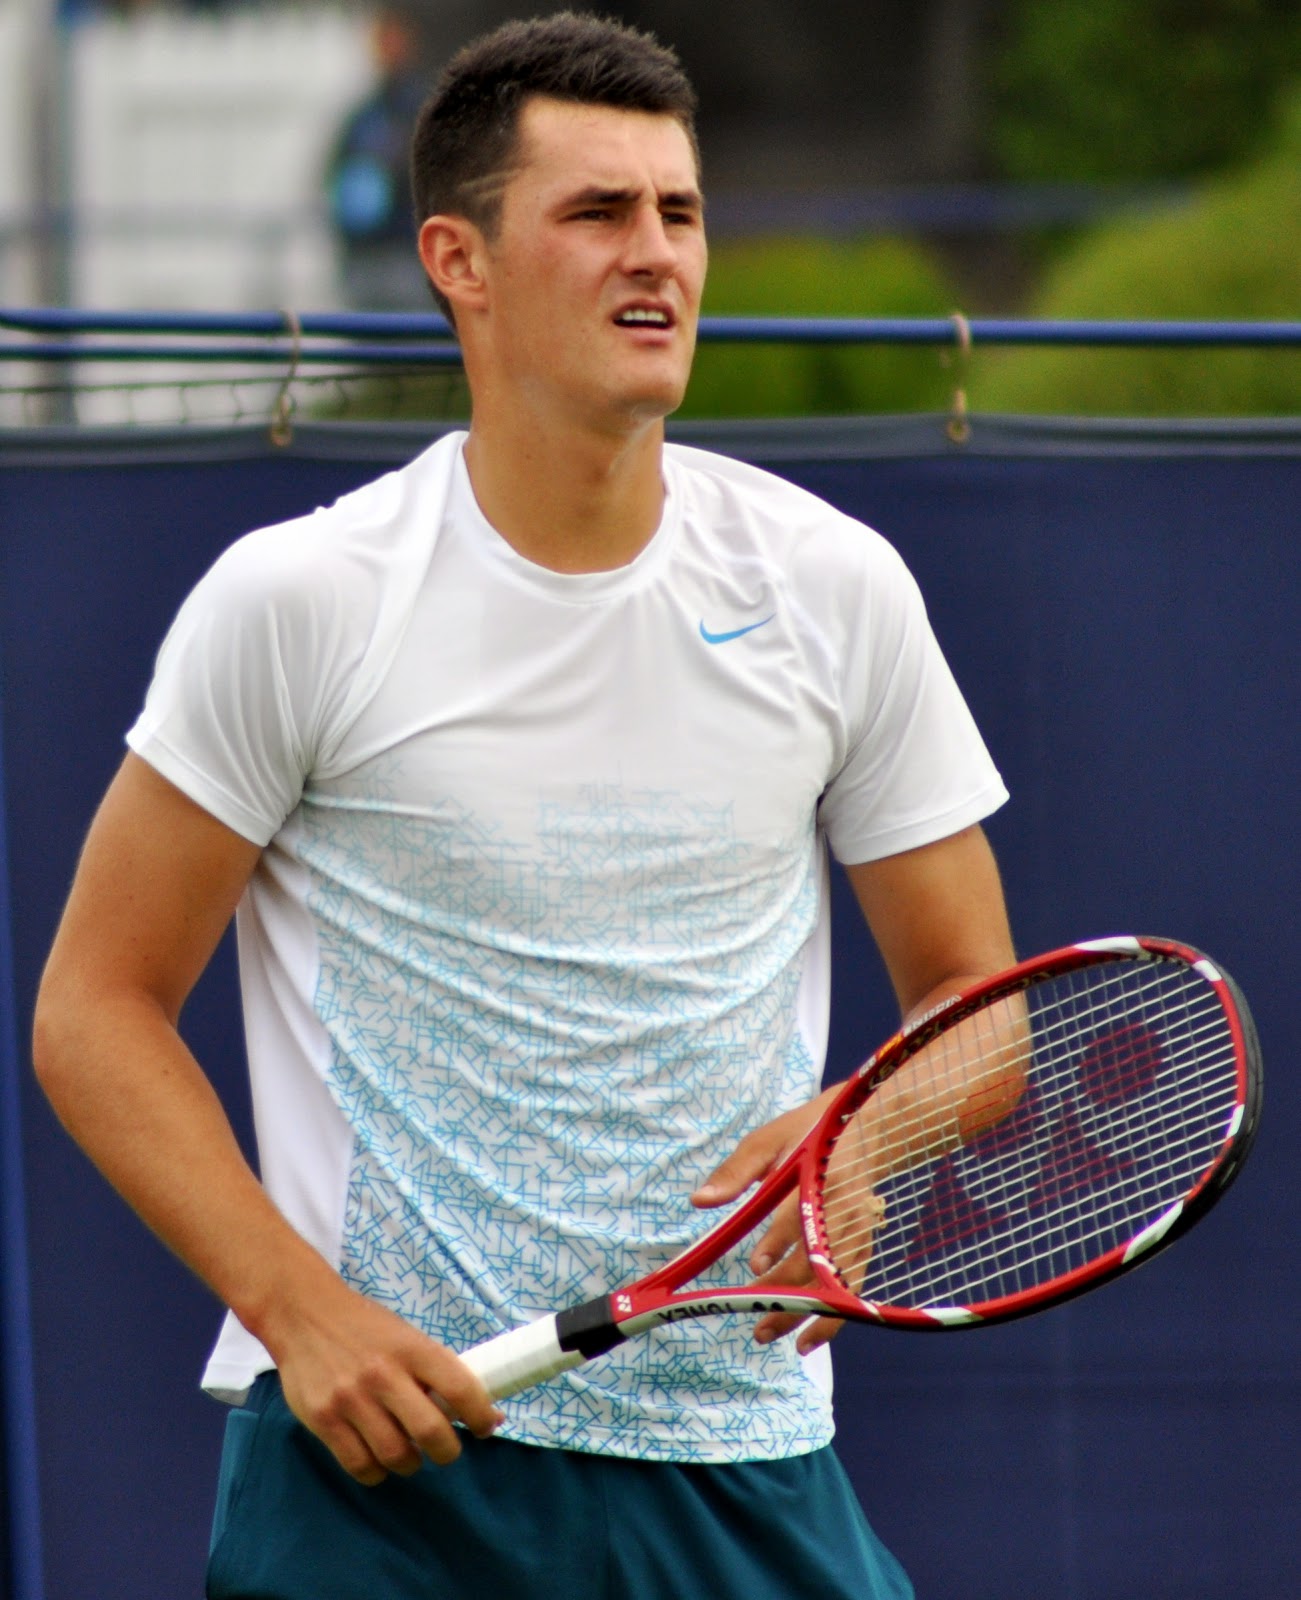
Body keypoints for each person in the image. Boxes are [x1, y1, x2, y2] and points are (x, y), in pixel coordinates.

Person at [32, 12, 1015, 1599]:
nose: (656, 254)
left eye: (679, 211)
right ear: (458, 261)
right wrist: (299, 1311)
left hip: (746, 1467)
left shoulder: (834, 588)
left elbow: (977, 1000)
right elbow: (94, 1009)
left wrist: (871, 1127)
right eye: (597, 211)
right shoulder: (300, 600)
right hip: (381, 1491)